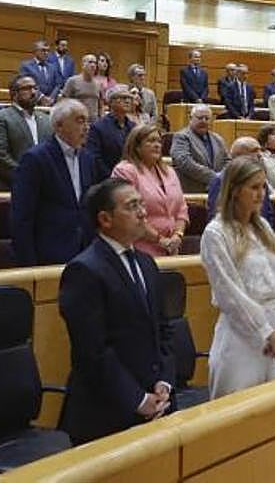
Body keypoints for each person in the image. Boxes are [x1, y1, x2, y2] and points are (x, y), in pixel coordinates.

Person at [56, 177, 175, 446]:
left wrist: (163, 382)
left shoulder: (147, 263)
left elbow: (164, 328)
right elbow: (93, 350)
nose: (143, 213)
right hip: (105, 412)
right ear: (105, 219)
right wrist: (138, 399)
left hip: (155, 401)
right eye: (132, 206)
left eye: (142, 204)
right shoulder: (84, 270)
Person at [200, 156, 275, 399]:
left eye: (263, 186)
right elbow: (229, 294)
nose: (261, 194)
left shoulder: (262, 227)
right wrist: (266, 333)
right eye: (254, 187)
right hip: (241, 339)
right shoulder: (216, 233)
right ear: (234, 190)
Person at [10, 99, 106, 266]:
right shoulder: (35, 158)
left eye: (88, 121)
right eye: (80, 120)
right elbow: (22, 216)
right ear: (59, 126)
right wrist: (28, 262)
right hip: (48, 253)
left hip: (85, 252)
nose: (87, 127)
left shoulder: (88, 159)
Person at [111, 124, 188, 256]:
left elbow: (181, 209)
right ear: (136, 146)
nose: (157, 145)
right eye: (151, 141)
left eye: (159, 141)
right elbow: (131, 213)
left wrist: (177, 236)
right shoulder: (125, 171)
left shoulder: (169, 171)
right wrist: (161, 240)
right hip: (139, 248)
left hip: (172, 249)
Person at [0, 74, 51, 190]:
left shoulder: (46, 119)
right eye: (27, 88)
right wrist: (26, 177)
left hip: (40, 189)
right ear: (14, 94)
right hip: (6, 187)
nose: (33, 92)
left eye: (35, 88)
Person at [169, 104, 230, 193]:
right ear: (190, 118)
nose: (204, 121)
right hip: (191, 193)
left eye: (207, 118)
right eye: (200, 118)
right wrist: (214, 177)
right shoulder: (181, 137)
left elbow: (228, 161)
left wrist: (223, 176)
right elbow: (185, 162)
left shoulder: (218, 139)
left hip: (216, 193)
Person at [85, 84, 136, 176]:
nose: (127, 101)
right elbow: (94, 158)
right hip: (107, 180)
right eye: (123, 98)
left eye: (129, 98)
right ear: (111, 102)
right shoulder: (98, 127)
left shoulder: (133, 127)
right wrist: (112, 177)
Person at [19, 40, 64, 106]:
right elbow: (26, 85)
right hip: (32, 102)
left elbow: (58, 84)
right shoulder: (26, 66)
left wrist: (51, 98)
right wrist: (41, 97)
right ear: (35, 51)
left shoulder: (53, 67)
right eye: (43, 50)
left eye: (48, 51)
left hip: (50, 103)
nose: (46, 53)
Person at [61, 53, 104, 121]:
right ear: (83, 65)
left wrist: (101, 120)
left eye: (95, 63)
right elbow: (63, 102)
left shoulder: (98, 84)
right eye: (90, 62)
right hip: (77, 121)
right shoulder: (72, 81)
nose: (93, 65)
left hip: (93, 123)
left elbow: (100, 106)